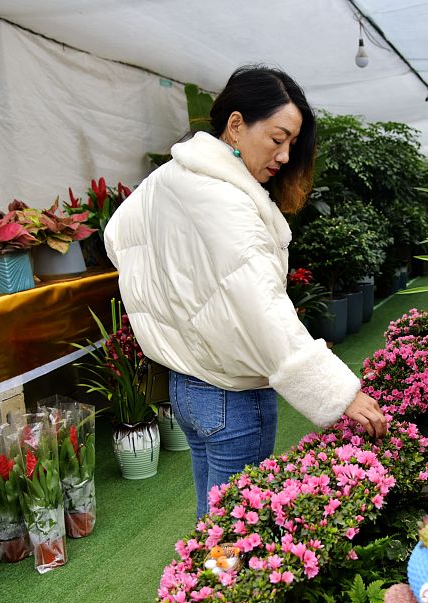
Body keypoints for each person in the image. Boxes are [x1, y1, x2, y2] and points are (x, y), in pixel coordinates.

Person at [104, 65, 388, 518]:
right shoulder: (226, 199)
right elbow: (260, 305)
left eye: (292, 144)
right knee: (237, 538)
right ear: (236, 124)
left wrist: (187, 310)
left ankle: (198, 589)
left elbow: (119, 239)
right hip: (230, 393)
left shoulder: (168, 179)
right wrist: (339, 393)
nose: (284, 155)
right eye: (278, 139)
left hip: (188, 387)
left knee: (212, 526)